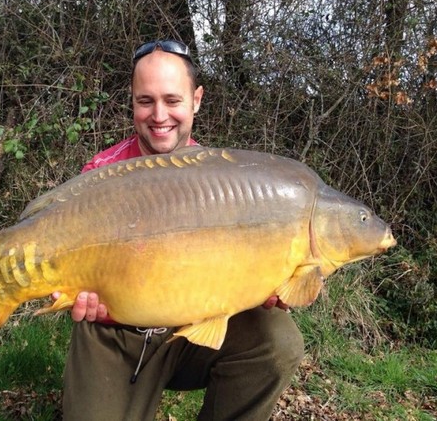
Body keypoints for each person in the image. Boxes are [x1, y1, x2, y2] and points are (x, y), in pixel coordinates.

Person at [57, 40, 304, 420]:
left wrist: (267, 284)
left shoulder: (224, 179)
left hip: (191, 333)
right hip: (115, 332)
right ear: (132, 101)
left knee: (278, 340)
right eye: (145, 101)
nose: (159, 115)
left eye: (172, 100)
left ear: (196, 100)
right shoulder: (101, 176)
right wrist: (75, 295)